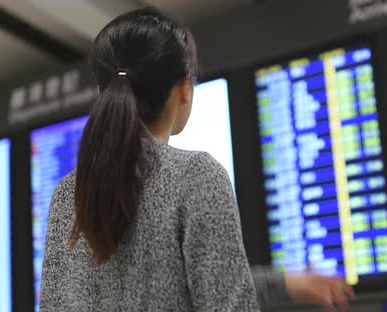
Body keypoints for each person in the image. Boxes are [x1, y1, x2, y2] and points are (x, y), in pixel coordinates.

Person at [39, 7, 353, 312]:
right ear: (184, 89)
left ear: (101, 91)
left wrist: (285, 285)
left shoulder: (67, 194)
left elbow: (172, 285)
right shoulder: (196, 175)